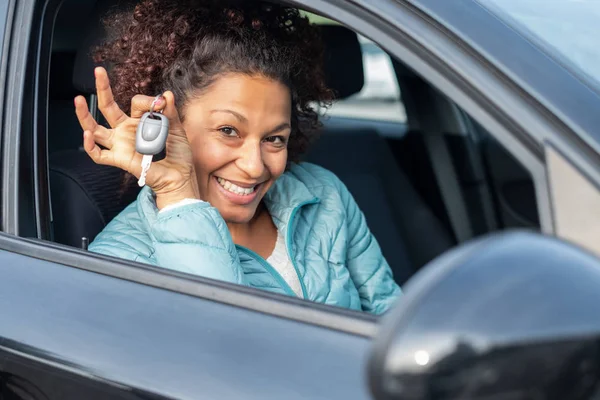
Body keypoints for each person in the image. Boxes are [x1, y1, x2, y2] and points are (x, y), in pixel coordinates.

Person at [75, 0, 401, 314]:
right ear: (169, 125)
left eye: (274, 138)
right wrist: (179, 196)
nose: (254, 166)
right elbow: (225, 349)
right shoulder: (120, 261)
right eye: (228, 131)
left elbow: (388, 310)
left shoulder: (323, 194)